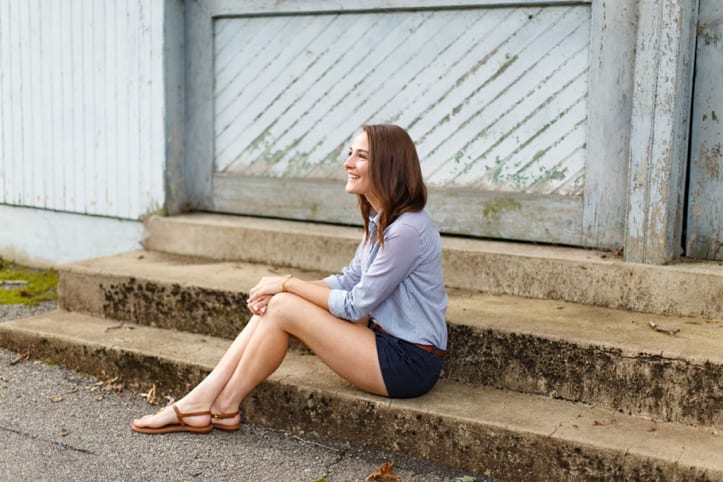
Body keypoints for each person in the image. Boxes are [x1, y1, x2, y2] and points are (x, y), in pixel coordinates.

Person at [131, 124, 448, 434]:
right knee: (278, 304)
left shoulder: (406, 230)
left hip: (409, 362)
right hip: (384, 341)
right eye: (350, 153)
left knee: (283, 303)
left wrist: (287, 284)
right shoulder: (383, 218)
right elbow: (351, 278)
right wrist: (280, 289)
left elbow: (355, 305)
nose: (347, 163)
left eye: (361, 156)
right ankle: (210, 404)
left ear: (388, 166)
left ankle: (212, 404)